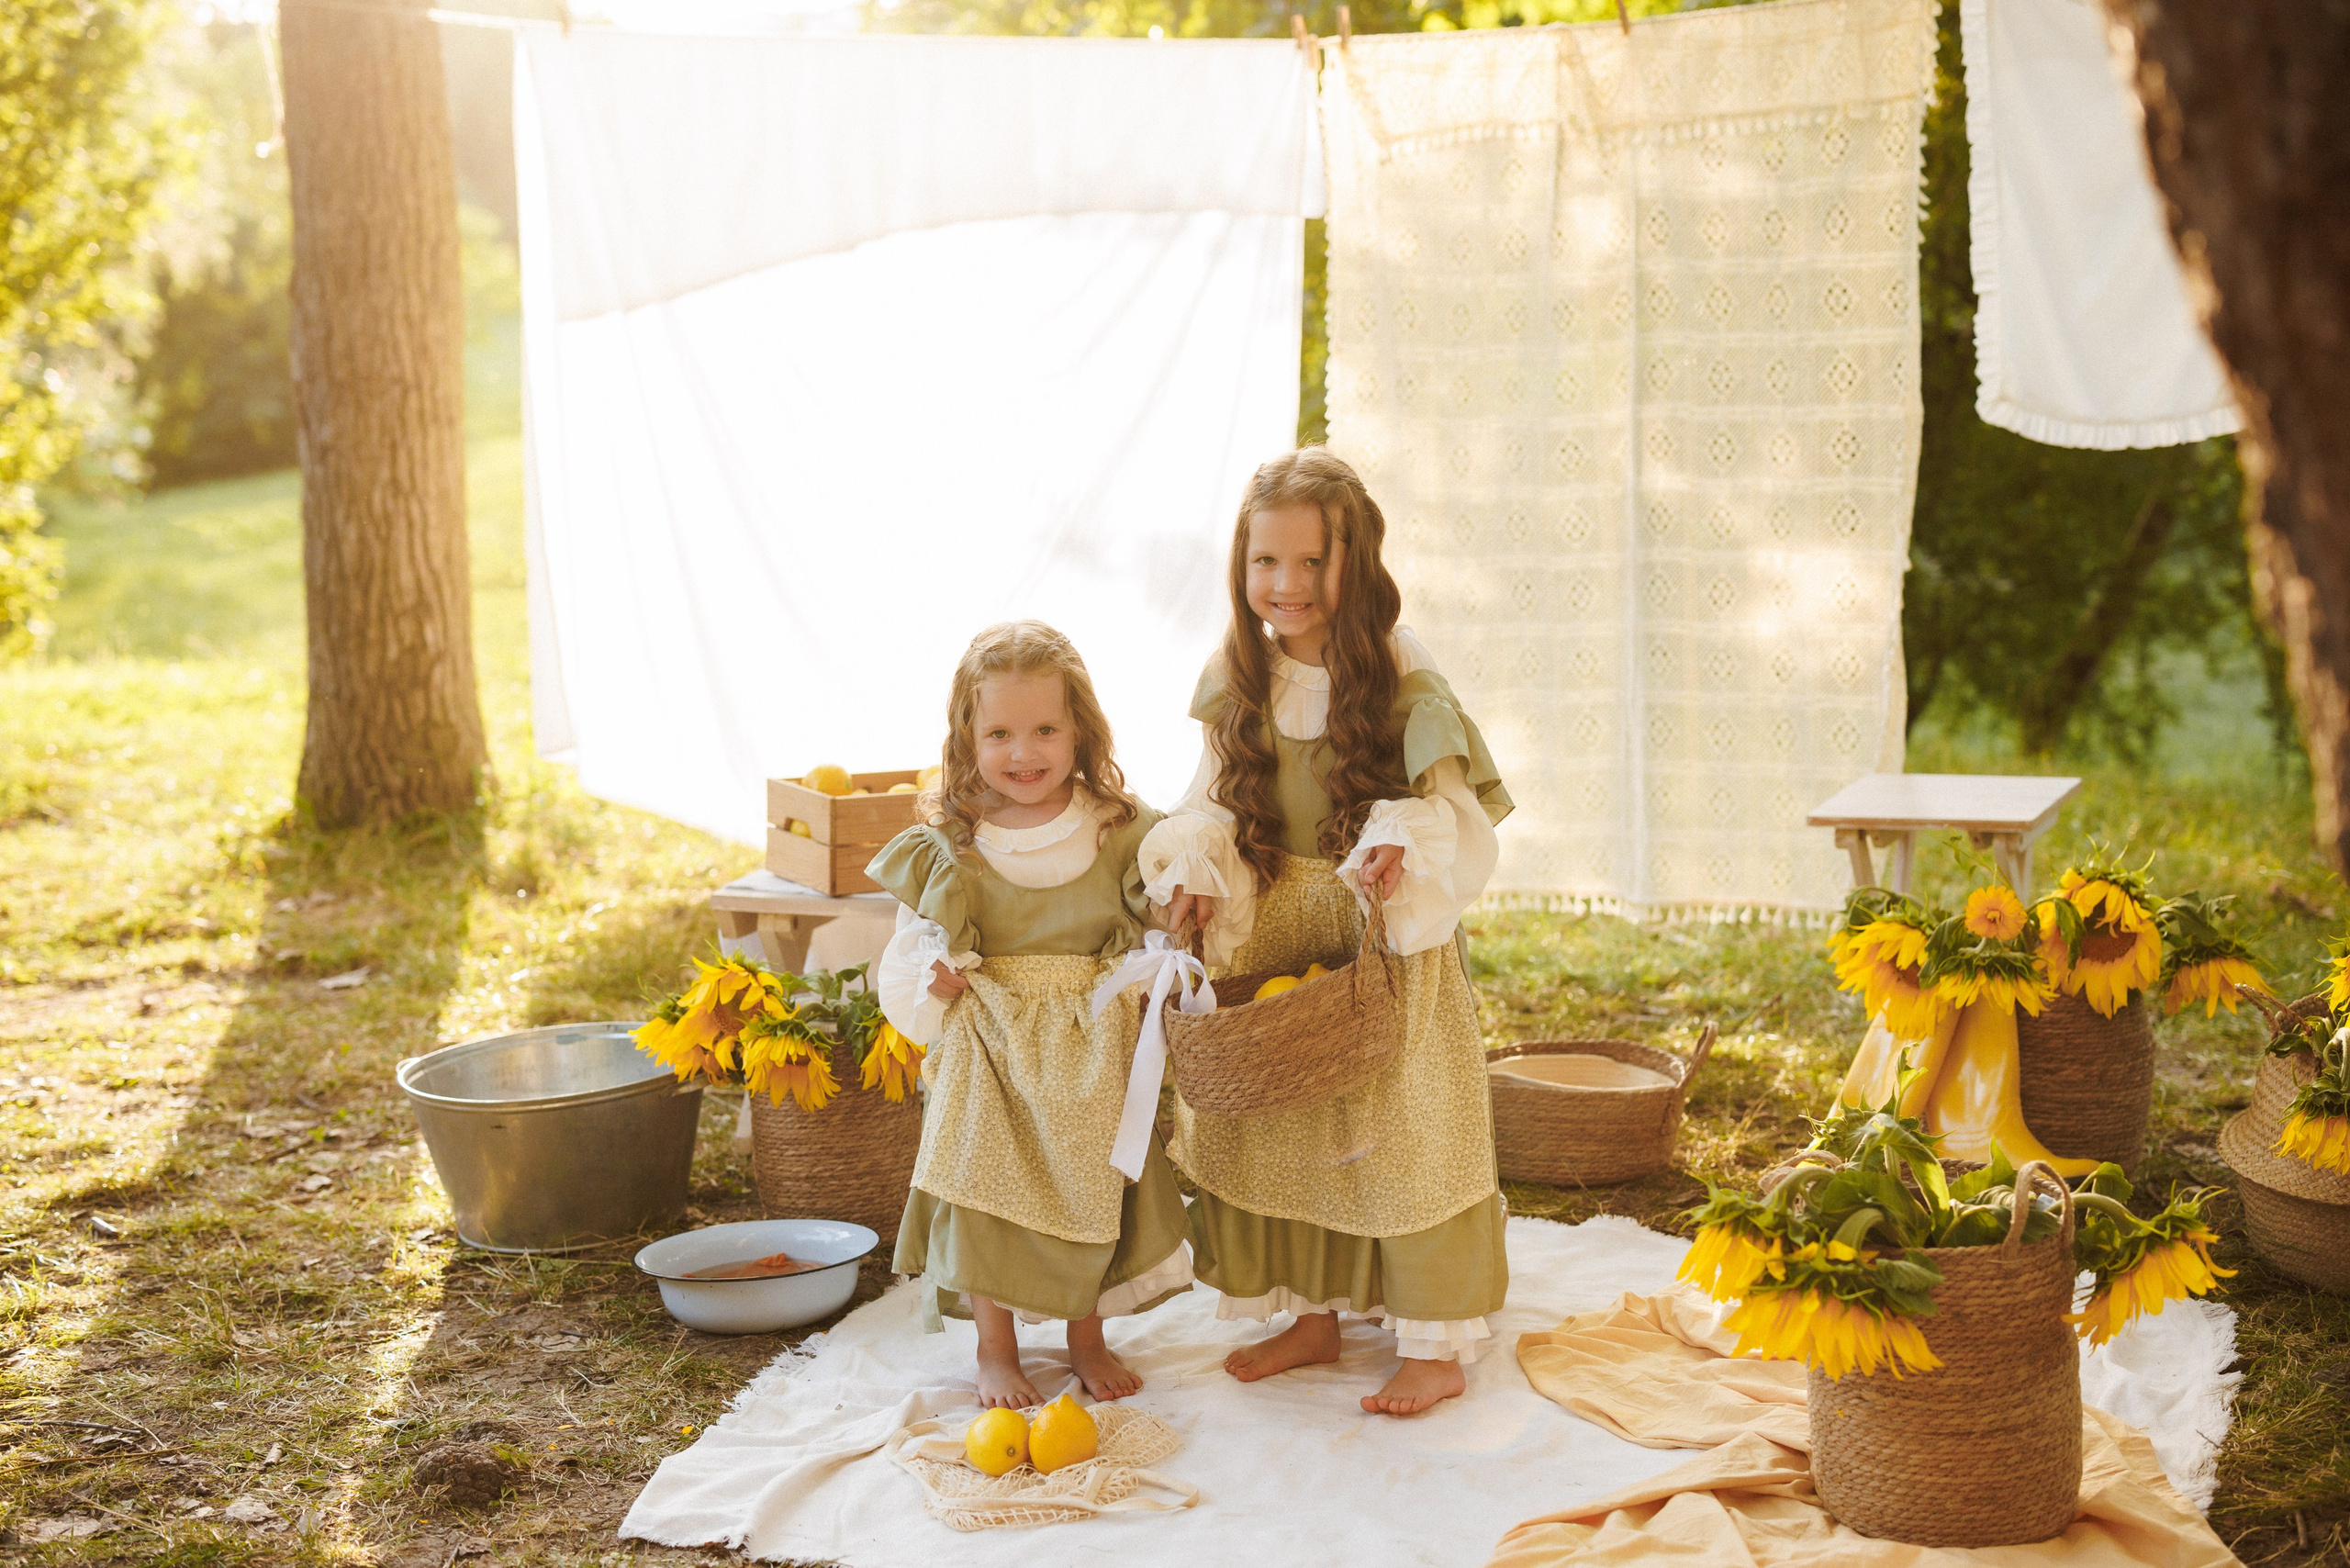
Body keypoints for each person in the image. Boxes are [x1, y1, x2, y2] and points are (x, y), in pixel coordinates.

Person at [1142, 447, 1514, 1416]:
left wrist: (1398, 847)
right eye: (1268, 562)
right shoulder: (1239, 671)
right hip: (1275, 924)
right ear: (1241, 565)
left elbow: (1449, 808)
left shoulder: (1397, 669)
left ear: (1360, 561)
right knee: (1290, 1117)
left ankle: (1431, 1342)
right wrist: (1193, 869)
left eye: (1314, 562)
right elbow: (1211, 800)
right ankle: (1309, 1310)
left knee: (1398, 1130)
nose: (1289, 585)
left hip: (1377, 932)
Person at [871, 621, 1192, 1409]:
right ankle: (995, 1347)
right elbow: (911, 948)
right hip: (991, 1045)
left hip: (1089, 1044)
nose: (1025, 753)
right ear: (967, 738)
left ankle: (1087, 1337)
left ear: (1080, 728)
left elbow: (1158, 920)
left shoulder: (1118, 828)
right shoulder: (951, 843)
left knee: (1090, 1190)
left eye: (1046, 729)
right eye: (1001, 734)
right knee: (986, 1193)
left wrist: (1156, 959)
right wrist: (933, 978)